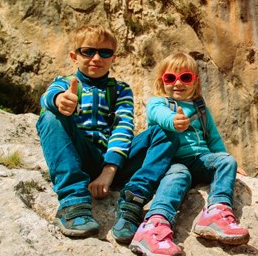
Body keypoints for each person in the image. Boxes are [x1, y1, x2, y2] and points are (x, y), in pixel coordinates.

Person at [36, 25, 177, 243]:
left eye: (105, 52)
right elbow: (48, 97)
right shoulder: (64, 84)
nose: (96, 58)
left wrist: (108, 172)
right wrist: (58, 101)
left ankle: (133, 198)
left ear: (113, 58)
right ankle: (73, 202)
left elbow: (123, 127)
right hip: (80, 158)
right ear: (74, 56)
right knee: (50, 117)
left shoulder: (120, 90)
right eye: (88, 51)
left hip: (115, 163)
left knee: (165, 132)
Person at [129, 52, 249, 256]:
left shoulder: (200, 108)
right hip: (172, 162)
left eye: (185, 78)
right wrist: (174, 121)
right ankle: (155, 225)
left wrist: (226, 160)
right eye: (170, 78)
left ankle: (216, 212)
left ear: (195, 81)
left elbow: (213, 139)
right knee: (178, 176)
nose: (178, 83)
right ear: (162, 81)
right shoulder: (158, 103)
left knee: (227, 161)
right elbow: (159, 116)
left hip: (200, 159)